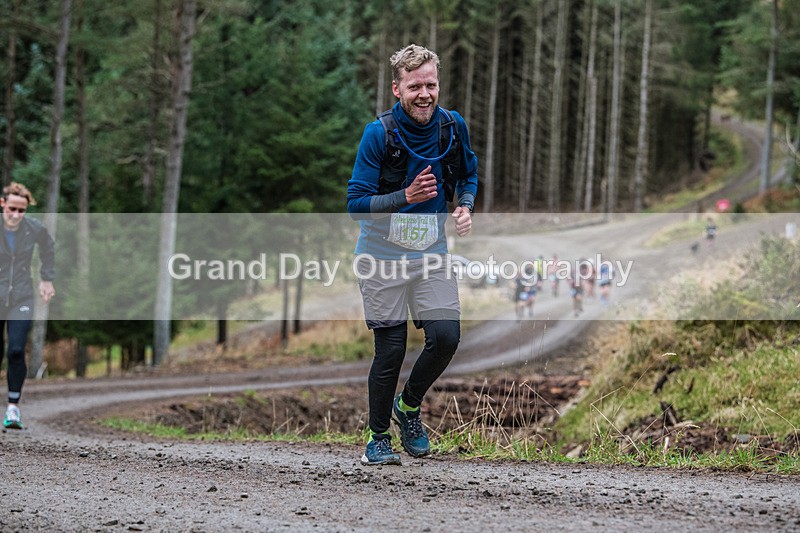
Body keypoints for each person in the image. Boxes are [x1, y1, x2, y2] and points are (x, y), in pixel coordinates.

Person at [347, 44, 478, 465]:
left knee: (446, 337)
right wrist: (405, 196)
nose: (425, 94)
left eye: (431, 85)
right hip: (381, 256)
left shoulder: (452, 127)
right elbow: (355, 205)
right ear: (397, 88)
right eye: (415, 86)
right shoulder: (379, 134)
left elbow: (469, 174)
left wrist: (465, 205)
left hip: (430, 253)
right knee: (390, 350)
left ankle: (407, 406)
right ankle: (377, 437)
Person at [0, 182, 55, 429]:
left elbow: (48, 248)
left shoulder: (33, 229)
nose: (16, 215)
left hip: (21, 297)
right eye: (12, 209)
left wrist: (46, 278)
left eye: (21, 210)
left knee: (15, 350)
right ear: (2, 204)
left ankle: (13, 407)